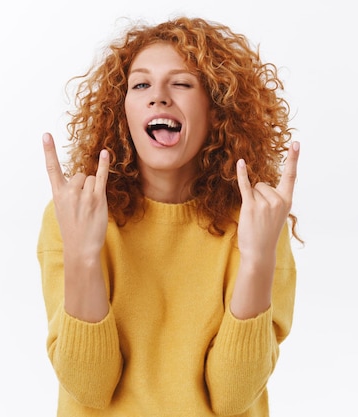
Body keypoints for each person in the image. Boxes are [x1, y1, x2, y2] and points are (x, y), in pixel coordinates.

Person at [36, 16, 301, 417]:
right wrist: (83, 256)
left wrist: (258, 260)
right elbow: (89, 388)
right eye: (140, 84)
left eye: (181, 83)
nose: (158, 96)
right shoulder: (75, 214)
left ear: (216, 111)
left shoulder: (258, 221)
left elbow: (232, 398)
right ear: (122, 112)